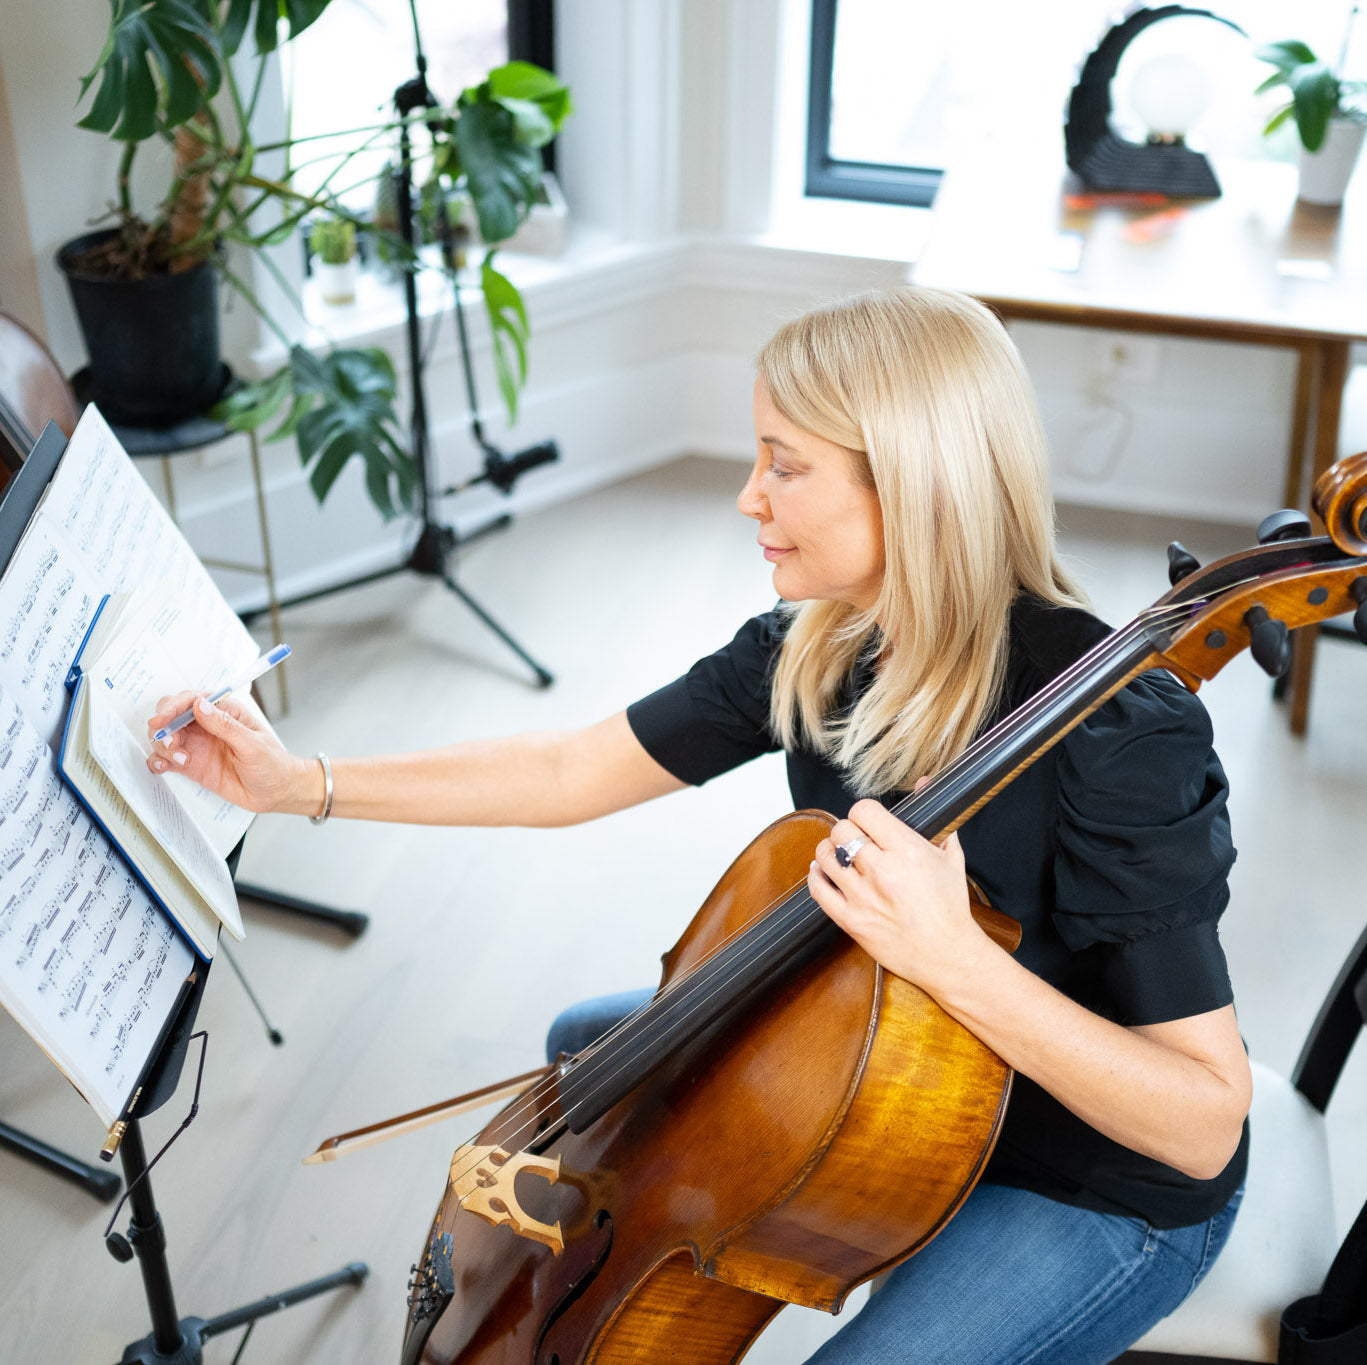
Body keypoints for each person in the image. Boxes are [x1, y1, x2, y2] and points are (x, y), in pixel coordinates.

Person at [146, 286, 1250, 1364]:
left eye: (783, 462)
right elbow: (565, 769)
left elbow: (1198, 1121)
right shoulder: (817, 644)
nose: (745, 496)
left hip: (1088, 1174)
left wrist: (950, 958)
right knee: (583, 1048)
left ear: (908, 485)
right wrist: (299, 784)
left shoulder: (1118, 731)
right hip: (884, 1055)